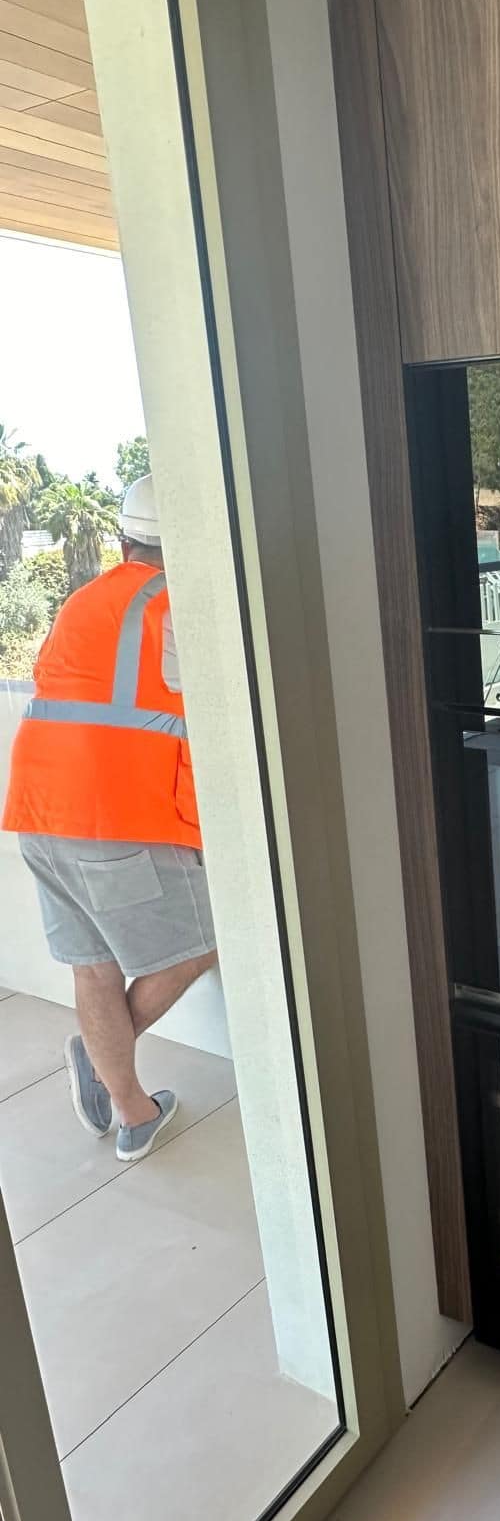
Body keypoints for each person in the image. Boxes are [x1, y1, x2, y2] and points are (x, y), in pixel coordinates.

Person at [2, 473, 217, 1162]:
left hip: (37, 808)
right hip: (116, 814)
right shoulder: (185, 606)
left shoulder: (83, 600)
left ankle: (133, 1117)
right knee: (206, 940)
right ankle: (103, 1067)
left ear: (125, 544)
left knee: (92, 966)